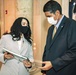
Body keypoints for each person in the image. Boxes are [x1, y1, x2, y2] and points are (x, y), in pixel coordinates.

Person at [40, 0, 76, 75]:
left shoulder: (71, 25)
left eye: (49, 16)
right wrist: (44, 70)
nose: (48, 19)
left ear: (57, 13)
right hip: (50, 71)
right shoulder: (51, 29)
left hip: (65, 71)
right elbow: (47, 49)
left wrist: (53, 64)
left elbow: (74, 52)